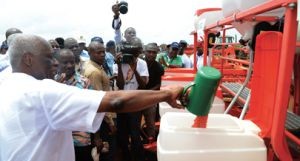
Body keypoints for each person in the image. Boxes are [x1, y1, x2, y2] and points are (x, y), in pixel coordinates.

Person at [0, 34, 184, 161]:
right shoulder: (41, 91)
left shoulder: (6, 83)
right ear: (28, 59)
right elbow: (116, 101)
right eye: (49, 58)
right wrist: (166, 94)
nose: (55, 63)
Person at [55, 49, 97, 161]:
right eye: (65, 62)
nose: (69, 66)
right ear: (56, 62)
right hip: (57, 140)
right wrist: (56, 87)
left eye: (72, 62)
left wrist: (97, 137)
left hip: (80, 139)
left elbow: (94, 110)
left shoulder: (84, 82)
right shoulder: (49, 83)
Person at [113, 37, 148, 161]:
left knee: (135, 135)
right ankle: (126, 157)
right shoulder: (119, 63)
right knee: (122, 134)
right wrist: (118, 64)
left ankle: (139, 158)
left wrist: (134, 69)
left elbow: (143, 85)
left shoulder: (142, 63)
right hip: (122, 102)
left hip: (135, 103)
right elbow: (121, 85)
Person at [82, 41, 116, 161]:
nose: (102, 55)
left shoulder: (95, 66)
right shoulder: (94, 72)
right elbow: (99, 102)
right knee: (106, 152)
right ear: (90, 53)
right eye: (98, 52)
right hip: (102, 120)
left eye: (103, 52)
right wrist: (110, 121)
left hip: (100, 119)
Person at [142, 43, 164, 143]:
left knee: (151, 123)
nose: (151, 54)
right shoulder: (138, 63)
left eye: (154, 52)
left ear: (157, 53)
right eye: (149, 52)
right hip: (136, 96)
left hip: (151, 98)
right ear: (144, 52)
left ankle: (151, 142)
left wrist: (148, 92)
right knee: (134, 123)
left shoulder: (159, 67)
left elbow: (160, 84)